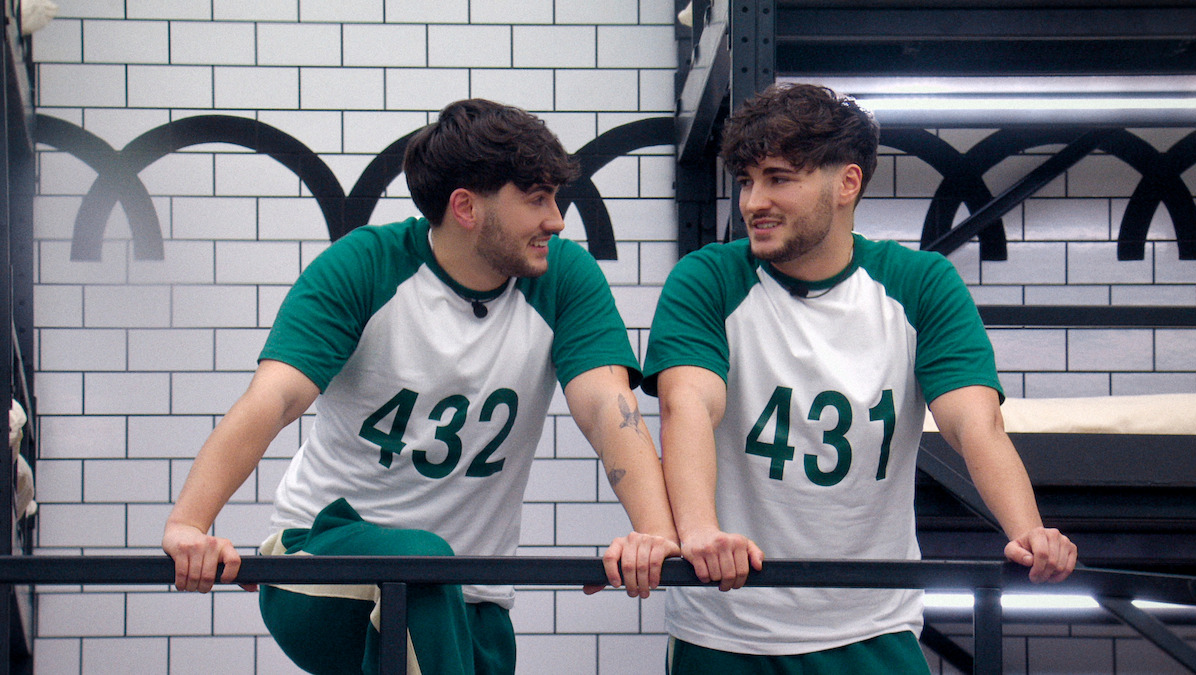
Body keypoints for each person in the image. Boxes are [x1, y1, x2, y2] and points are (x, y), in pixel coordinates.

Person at [162, 98, 680, 675]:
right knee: (420, 559)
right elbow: (273, 399)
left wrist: (654, 534)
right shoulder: (365, 265)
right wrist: (191, 523)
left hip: (473, 598)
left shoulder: (563, 277)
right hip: (323, 563)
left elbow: (608, 408)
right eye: (536, 200)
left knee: (441, 587)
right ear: (465, 207)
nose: (557, 220)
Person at [641, 83, 1077, 674]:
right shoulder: (708, 278)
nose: (752, 202)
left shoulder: (920, 283)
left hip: (871, 627)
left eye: (778, 178)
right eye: (746, 181)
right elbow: (687, 404)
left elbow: (975, 424)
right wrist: (699, 532)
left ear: (847, 183)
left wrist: (1029, 533)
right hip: (726, 630)